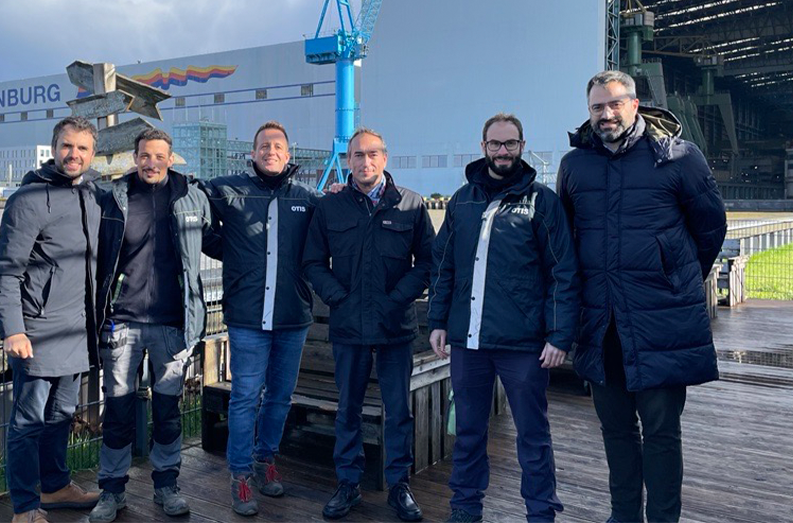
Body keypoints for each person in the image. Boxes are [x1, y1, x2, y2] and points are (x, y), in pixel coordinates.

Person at [557, 71, 727, 523]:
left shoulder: (679, 157)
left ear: (635, 105)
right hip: (602, 323)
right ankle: (624, 516)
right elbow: (567, 239)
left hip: (660, 319)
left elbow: (711, 227)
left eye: (615, 104)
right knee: (615, 431)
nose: (606, 114)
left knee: (662, 432)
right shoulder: (575, 165)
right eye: (597, 107)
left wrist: (676, 276)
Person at [428, 113, 580, 523]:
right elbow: (443, 265)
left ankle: (541, 512)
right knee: (468, 432)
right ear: (483, 147)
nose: (502, 151)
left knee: (532, 434)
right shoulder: (462, 200)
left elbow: (563, 271)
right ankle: (465, 506)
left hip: (523, 344)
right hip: (469, 341)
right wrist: (438, 320)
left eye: (510, 143)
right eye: (495, 144)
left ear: (521, 146)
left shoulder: (541, 202)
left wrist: (559, 335)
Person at [89, 128, 221, 522]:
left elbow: (217, 241)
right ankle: (112, 490)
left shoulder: (192, 197)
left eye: (159, 156)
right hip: (122, 322)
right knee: (117, 410)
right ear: (135, 158)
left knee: (167, 410)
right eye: (145, 155)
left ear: (170, 158)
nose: (152, 163)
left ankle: (167, 485)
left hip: (173, 323)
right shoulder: (113, 197)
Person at [303, 128, 434, 521]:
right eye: (357, 155)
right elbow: (312, 262)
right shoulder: (331, 207)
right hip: (349, 327)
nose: (365, 161)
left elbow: (429, 262)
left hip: (395, 327)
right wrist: (338, 298)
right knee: (348, 409)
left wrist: (397, 298)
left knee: (398, 410)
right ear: (348, 161)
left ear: (385, 158)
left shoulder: (410, 204)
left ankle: (399, 486)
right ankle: (348, 483)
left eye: (372, 154)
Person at [201, 121, 322, 516]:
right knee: (244, 397)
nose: (271, 151)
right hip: (247, 316)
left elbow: (327, 239)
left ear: (288, 154)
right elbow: (196, 213)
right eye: (264, 146)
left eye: (277, 146)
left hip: (292, 316)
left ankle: (265, 457)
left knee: (280, 397)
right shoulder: (227, 189)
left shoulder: (307, 198)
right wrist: (230, 250)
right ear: (252, 153)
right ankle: (240, 474)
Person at [0, 116, 102, 523]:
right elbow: (6, 272)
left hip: (77, 329)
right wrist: (13, 330)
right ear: (54, 148)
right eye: (67, 146)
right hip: (37, 331)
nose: (74, 154)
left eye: (82, 148)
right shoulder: (28, 199)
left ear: (93, 154)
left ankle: (54, 487)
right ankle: (24, 506)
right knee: (28, 422)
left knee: (61, 415)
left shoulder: (93, 194)